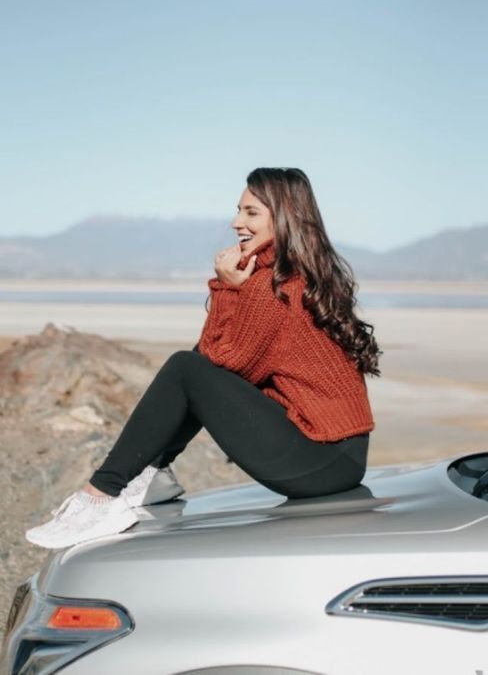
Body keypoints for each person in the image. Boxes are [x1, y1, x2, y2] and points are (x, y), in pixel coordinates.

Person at [26, 167, 382, 550]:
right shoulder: (294, 275)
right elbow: (222, 363)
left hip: (319, 462)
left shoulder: (273, 289)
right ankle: (151, 474)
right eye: (239, 211)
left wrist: (228, 290)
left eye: (251, 213)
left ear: (285, 217)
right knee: (194, 365)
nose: (236, 223)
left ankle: (101, 494)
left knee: (187, 367)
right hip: (339, 458)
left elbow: (216, 360)